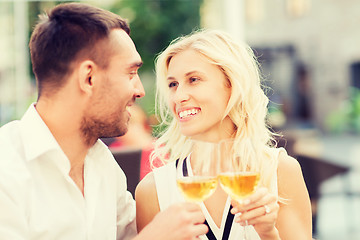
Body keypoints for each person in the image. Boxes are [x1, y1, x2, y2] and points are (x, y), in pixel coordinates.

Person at [0, 3, 208, 239]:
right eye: (130, 74)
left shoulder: (103, 165)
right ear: (89, 77)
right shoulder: (6, 171)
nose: (139, 90)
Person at [136, 29, 313, 239]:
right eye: (173, 84)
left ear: (232, 86)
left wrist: (268, 233)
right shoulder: (152, 190)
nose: (179, 96)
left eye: (193, 79)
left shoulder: (279, 171)